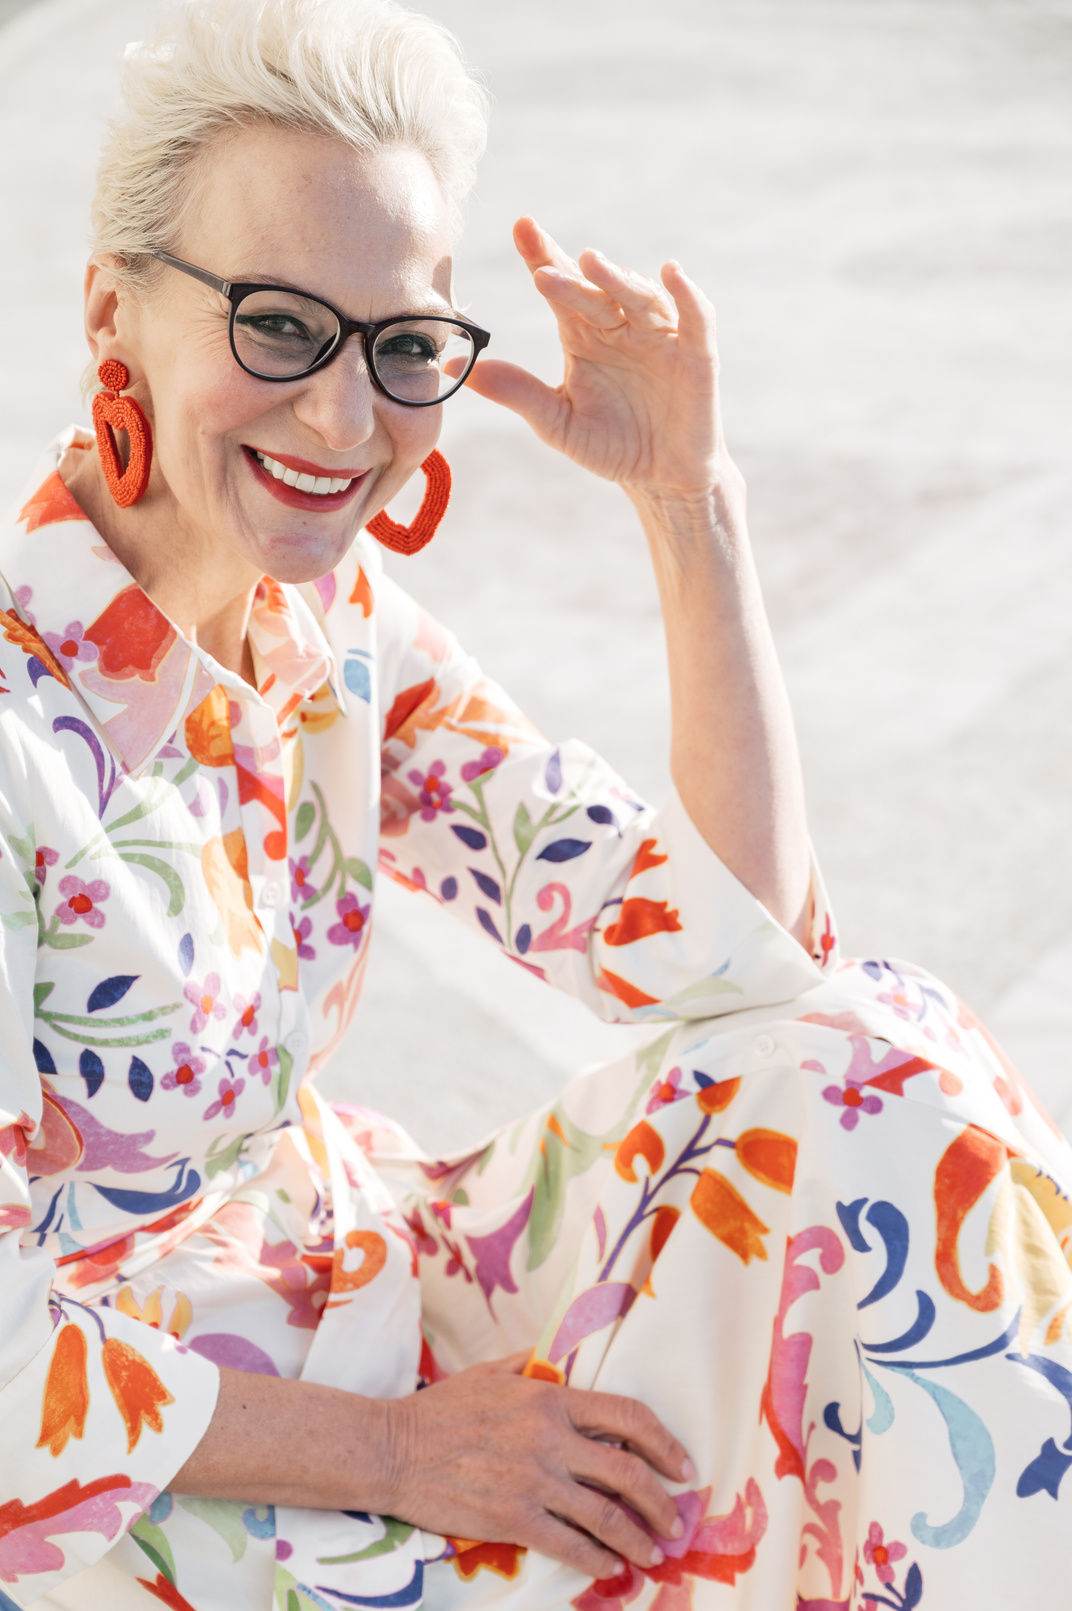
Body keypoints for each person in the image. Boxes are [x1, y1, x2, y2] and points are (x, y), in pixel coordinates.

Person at [2, 0, 1071, 1607]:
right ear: (113, 312)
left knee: (871, 1075)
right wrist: (396, 1454)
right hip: (132, 1461)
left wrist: (687, 504)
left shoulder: (331, 633)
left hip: (363, 1277)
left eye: (402, 345)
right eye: (277, 325)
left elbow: (748, 970)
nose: (345, 420)